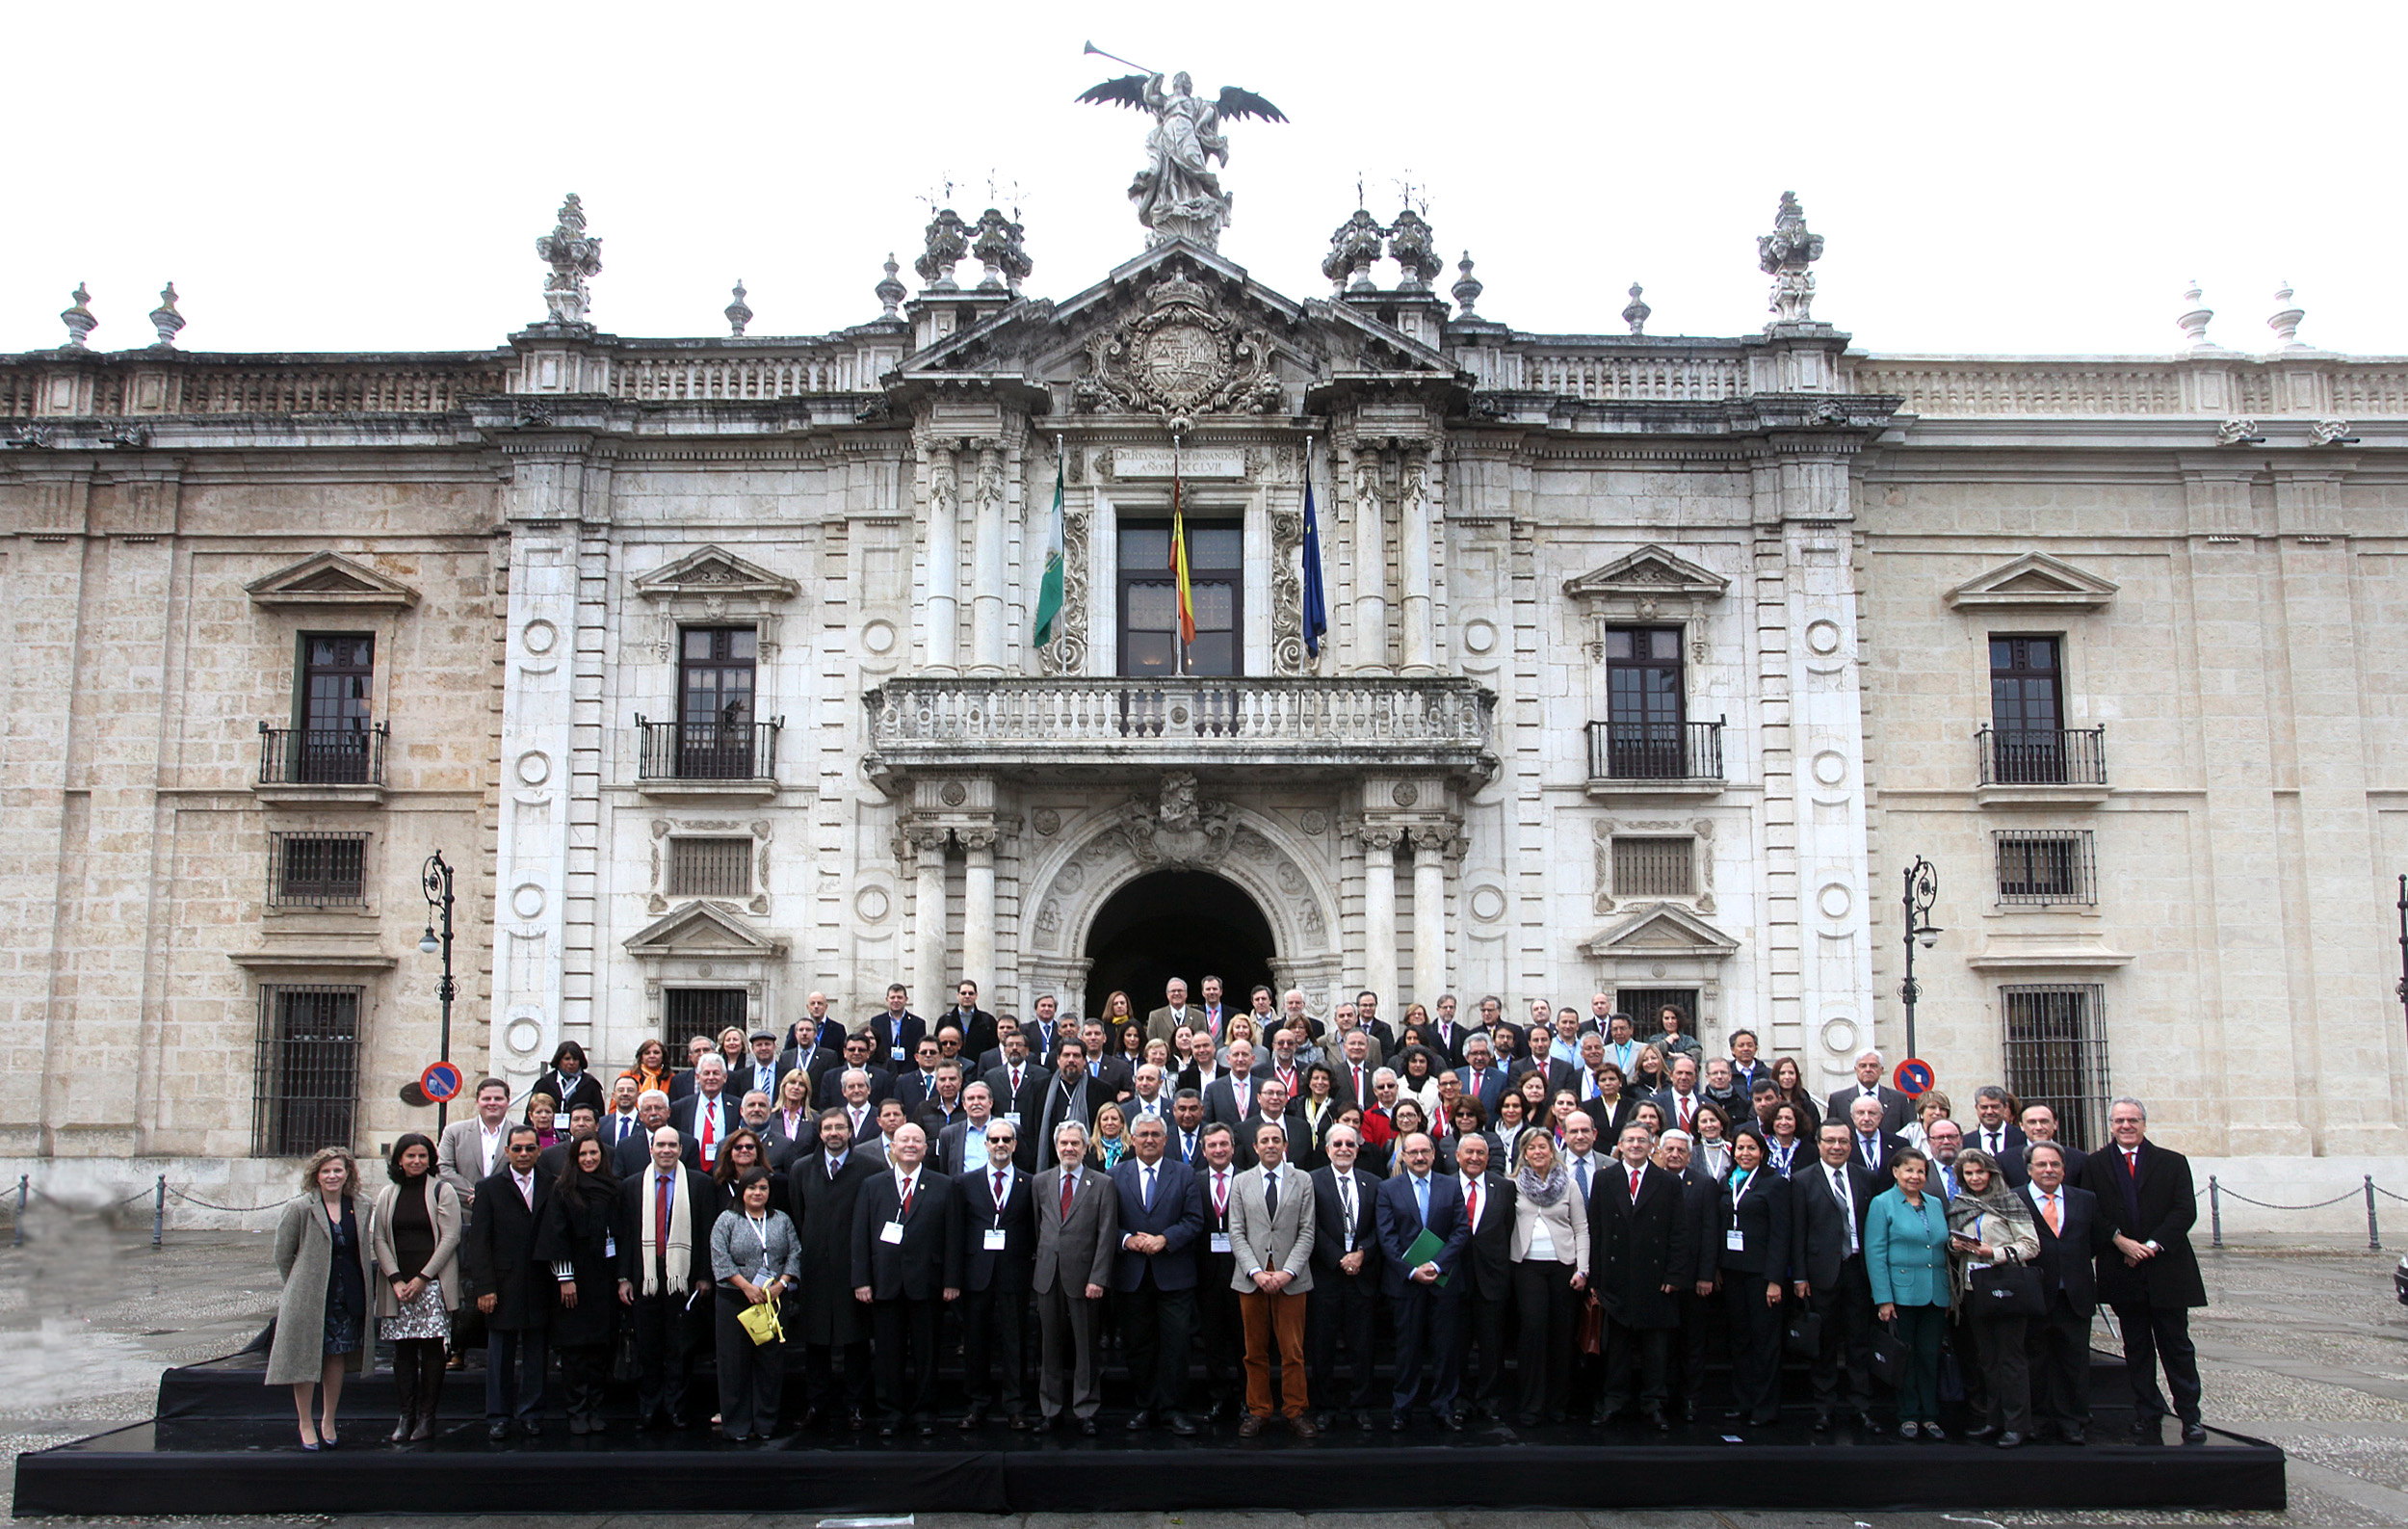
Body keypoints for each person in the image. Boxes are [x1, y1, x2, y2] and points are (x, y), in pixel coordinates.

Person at [2081, 1095, 2208, 1443]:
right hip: (2122, 1268)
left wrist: (2151, 1246)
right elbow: (2092, 1211)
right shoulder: (2095, 1165)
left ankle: (2190, 1416)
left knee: (2177, 1347)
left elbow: (2184, 1211)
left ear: (2144, 1124)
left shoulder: (2172, 1162)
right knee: (2136, 1350)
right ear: (2110, 1125)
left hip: (2166, 1269)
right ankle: (2146, 1413)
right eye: (2119, 1120)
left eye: (2132, 1120)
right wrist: (2121, 1242)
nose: (2126, 1126)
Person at [851, 1122, 961, 1436]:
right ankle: (891, 1413)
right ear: (892, 1148)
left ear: (926, 1148)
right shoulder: (873, 1185)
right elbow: (860, 1236)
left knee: (927, 1353)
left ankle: (925, 1413)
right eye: (904, 1140)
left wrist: (951, 1280)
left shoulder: (944, 1185)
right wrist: (861, 1280)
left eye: (917, 1140)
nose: (910, 1145)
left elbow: (953, 1237)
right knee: (888, 1353)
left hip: (928, 1282)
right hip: (885, 1283)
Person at [269, 1147, 373, 1450]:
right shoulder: (300, 1208)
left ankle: (329, 1418)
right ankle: (305, 1421)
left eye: (337, 1170)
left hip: (347, 1293)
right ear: (316, 1175)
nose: (332, 1176)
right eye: (326, 1171)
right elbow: (282, 1254)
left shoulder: (361, 1205)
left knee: (336, 1354)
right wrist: (298, 1286)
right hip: (310, 1295)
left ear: (348, 1174)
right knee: (305, 1356)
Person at [615, 1124, 716, 1431]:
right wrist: (623, 1278)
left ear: (681, 1150)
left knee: (679, 1347)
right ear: (651, 1149)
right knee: (648, 1347)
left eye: (672, 1145)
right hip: (645, 1276)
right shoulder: (632, 1186)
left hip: (683, 1277)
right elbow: (626, 1235)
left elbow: (705, 1231)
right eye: (661, 1145)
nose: (667, 1150)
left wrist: (703, 1276)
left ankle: (676, 1408)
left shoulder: (699, 1184)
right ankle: (649, 1408)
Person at [1112, 1113, 1205, 1435]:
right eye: (1143, 1134)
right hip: (1132, 1274)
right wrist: (1127, 1239)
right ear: (1132, 1139)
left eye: (1155, 1134)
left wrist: (1166, 1239)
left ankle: (1174, 1409)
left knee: (1176, 1345)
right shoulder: (1114, 1175)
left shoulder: (1184, 1174)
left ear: (1166, 1140)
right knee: (1139, 1345)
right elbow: (1106, 1223)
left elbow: (1194, 1220)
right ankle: (1145, 1407)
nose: (1149, 1139)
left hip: (1173, 1273)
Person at [461, 1124, 554, 1438]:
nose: (524, 1154)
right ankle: (498, 1415)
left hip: (541, 1281)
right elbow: (479, 1242)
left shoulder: (552, 1185)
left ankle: (531, 1412)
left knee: (536, 1354)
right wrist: (484, 1287)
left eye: (530, 1148)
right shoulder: (489, 1188)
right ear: (507, 1152)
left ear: (539, 1150)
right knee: (500, 1355)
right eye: (518, 1149)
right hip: (501, 1283)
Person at [1590, 1122, 1685, 1430]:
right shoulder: (1604, 1180)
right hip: (1615, 1278)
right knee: (1616, 1348)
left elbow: (1678, 1232)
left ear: (1651, 1146)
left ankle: (1653, 1403)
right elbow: (1597, 1231)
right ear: (1619, 1144)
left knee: (1656, 1348)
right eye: (1629, 1140)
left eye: (1641, 1140)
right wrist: (1596, 1279)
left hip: (1655, 1277)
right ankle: (1614, 1402)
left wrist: (1674, 1273)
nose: (1635, 1145)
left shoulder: (1668, 1183)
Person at [1946, 1145, 2041, 1447]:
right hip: (1974, 1290)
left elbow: (2031, 1245)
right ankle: (1993, 1419)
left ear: (1991, 1173)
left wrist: (1995, 1253)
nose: (1975, 1178)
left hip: (2007, 1286)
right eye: (1969, 1173)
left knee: (2011, 1358)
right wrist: (1955, 1246)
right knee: (1987, 1359)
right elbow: (1951, 1243)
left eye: (1980, 1172)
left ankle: (2018, 1424)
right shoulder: (1960, 1203)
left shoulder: (2009, 1201)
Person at [790, 1109, 878, 1431]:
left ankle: (856, 1405)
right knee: (816, 1343)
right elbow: (800, 1216)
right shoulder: (801, 1169)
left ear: (851, 1131)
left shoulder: (870, 1168)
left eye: (840, 1127)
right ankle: (817, 1404)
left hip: (853, 1269)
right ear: (819, 1132)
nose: (833, 1133)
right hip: (814, 1268)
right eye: (827, 1127)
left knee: (855, 1342)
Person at [1375, 1131, 1470, 1430]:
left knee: (1445, 1349)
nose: (1419, 1157)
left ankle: (1443, 1407)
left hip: (1444, 1281)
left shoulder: (1451, 1186)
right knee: (1408, 1349)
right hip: (1405, 1283)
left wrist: (1437, 1265)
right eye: (1412, 1152)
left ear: (1434, 1154)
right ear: (1402, 1155)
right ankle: (1402, 1409)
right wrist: (1412, 1270)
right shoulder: (1388, 1189)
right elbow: (1386, 1236)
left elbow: (1460, 1231)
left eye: (1424, 1152)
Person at [1228, 1120, 1317, 1436]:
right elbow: (1236, 1232)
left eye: (1275, 1140)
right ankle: (1259, 1411)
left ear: (1284, 1145)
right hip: (1251, 1280)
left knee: (1292, 1351)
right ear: (1255, 1147)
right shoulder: (1241, 1182)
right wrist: (1256, 1271)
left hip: (1291, 1279)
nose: (1270, 1145)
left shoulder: (1302, 1180)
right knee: (1254, 1351)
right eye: (1264, 1140)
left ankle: (1296, 1410)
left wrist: (1287, 1272)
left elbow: (1307, 1231)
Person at [370, 1133, 459, 1443]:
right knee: (403, 1353)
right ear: (399, 1160)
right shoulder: (387, 1194)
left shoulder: (441, 1190)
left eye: (422, 1156)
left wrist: (423, 1278)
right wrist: (395, 1279)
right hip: (398, 1288)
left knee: (433, 1350)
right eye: (410, 1156)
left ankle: (427, 1416)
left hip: (431, 1283)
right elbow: (378, 1238)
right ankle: (405, 1415)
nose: (417, 1161)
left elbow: (450, 1237)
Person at [1030, 1120, 1118, 1434]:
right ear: (1056, 1148)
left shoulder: (1103, 1183)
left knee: (1086, 1347)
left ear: (1085, 1147)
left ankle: (1085, 1409)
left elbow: (1106, 1235)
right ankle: (1050, 1409)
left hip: (1085, 1277)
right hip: (1048, 1275)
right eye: (1064, 1144)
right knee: (1049, 1347)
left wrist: (1098, 1278)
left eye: (1075, 1144)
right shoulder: (1040, 1182)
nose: (1069, 1148)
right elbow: (1039, 1226)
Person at [1793, 1120, 1881, 1435]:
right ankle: (1824, 1409)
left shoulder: (1865, 1178)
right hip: (1821, 1274)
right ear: (1818, 1144)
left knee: (1859, 1342)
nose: (1837, 1147)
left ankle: (1861, 1408)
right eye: (1830, 1141)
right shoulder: (1803, 1180)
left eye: (1843, 1141)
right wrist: (1799, 1276)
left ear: (1851, 1144)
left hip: (1859, 1270)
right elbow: (1798, 1232)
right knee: (1825, 1344)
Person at [2022, 1140, 2111, 1444]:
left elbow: (2097, 1239)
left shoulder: (2085, 1199)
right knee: (2034, 1361)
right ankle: (2036, 1419)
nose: (2049, 1170)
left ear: (2064, 1168)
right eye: (2042, 1164)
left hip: (2075, 1293)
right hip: (2034, 1294)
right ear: (2030, 1169)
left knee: (2074, 1361)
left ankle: (2072, 1420)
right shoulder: (2015, 1199)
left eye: (2055, 1164)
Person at [1866, 1145, 1952, 1438]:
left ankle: (1930, 1415)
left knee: (1930, 1355)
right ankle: (1909, 1414)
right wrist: (1883, 1298)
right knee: (1907, 1356)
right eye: (1909, 1170)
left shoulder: (1935, 1203)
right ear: (1895, 1172)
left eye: (1920, 1171)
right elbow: (1875, 1252)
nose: (1915, 1176)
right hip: (1900, 1294)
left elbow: (1939, 1244)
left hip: (1935, 1293)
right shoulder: (1883, 1203)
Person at [536, 1134, 619, 1436]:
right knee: (574, 1353)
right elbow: (555, 1236)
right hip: (572, 1282)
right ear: (574, 1156)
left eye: (593, 1153)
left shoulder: (613, 1189)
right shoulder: (562, 1190)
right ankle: (576, 1411)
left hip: (604, 1280)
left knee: (599, 1351)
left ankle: (595, 1409)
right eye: (582, 1153)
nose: (588, 1159)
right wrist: (565, 1277)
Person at [954, 1119, 1035, 1430]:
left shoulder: (1029, 1184)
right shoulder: (965, 1183)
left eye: (1006, 1139)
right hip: (977, 1273)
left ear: (1014, 1145)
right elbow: (958, 1231)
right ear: (985, 1144)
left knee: (1015, 1341)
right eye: (994, 1139)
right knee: (976, 1342)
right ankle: (977, 1403)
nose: (1000, 1144)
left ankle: (1015, 1405)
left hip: (1015, 1272)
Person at [710, 1166, 800, 1440]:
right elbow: (719, 1256)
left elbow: (795, 1252)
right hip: (735, 1300)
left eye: (763, 1188)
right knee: (734, 1365)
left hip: (772, 1302)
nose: (757, 1193)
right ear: (742, 1191)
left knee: (769, 1365)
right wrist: (746, 1287)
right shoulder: (727, 1219)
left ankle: (765, 1424)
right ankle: (736, 1425)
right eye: (752, 1188)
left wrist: (781, 1284)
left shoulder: (781, 1220)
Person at [1508, 1126, 1588, 1426]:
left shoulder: (1569, 1185)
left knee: (1561, 1336)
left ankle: (1558, 1405)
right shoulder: (1513, 1184)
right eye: (1531, 1148)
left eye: (1543, 1146)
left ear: (1552, 1150)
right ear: (1524, 1154)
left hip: (1563, 1267)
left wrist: (1583, 1268)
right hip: (1527, 1266)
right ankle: (1531, 1405)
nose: (1537, 1152)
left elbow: (1581, 1229)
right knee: (1532, 1332)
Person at [1307, 1121, 1383, 1432]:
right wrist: (1338, 1257)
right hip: (1326, 1275)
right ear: (1327, 1150)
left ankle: (1361, 1405)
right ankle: (1324, 1406)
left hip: (1362, 1275)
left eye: (1349, 1144)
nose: (1343, 1149)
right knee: (1322, 1347)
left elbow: (1383, 1226)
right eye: (1337, 1144)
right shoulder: (1311, 1182)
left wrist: (1362, 1252)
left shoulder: (1374, 1183)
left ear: (1357, 1149)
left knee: (1362, 1347)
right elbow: (1308, 1225)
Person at [1717, 1129, 1789, 1428]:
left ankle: (1765, 1405)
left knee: (1764, 1343)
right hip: (1733, 1273)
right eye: (1740, 1148)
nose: (1745, 1153)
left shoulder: (1775, 1184)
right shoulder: (1727, 1182)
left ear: (1762, 1152)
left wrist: (1775, 1279)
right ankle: (1743, 1401)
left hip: (1762, 1276)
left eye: (1751, 1148)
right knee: (1740, 1341)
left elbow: (1781, 1233)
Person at [1449, 1131, 1516, 1422]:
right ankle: (1459, 1399)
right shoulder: (1445, 1185)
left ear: (1488, 1158)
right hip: (1455, 1277)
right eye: (1470, 1152)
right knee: (1456, 1344)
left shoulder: (1504, 1187)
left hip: (1492, 1277)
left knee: (1492, 1345)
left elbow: (1509, 1228)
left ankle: (1489, 1399)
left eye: (1481, 1153)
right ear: (1458, 1156)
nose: (1475, 1158)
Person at [436, 1077, 514, 1205]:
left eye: (498, 1099)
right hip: (464, 1209)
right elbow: (443, 1168)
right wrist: (478, 1194)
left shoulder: (521, 1133)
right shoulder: (454, 1132)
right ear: (477, 1102)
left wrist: (494, 1196)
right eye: (486, 1099)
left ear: (508, 1102)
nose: (492, 1103)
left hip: (506, 1209)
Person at [1827, 1048, 1911, 1135]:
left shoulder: (1898, 1099)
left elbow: (1906, 1134)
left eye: (1873, 1066)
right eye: (1863, 1066)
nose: (1868, 1070)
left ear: (1881, 1070)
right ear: (1856, 1070)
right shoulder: (1838, 1100)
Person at [531, 1040, 606, 1120]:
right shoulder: (545, 1083)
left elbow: (600, 1115)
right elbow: (531, 1110)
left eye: (575, 1059)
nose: (571, 1062)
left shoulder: (591, 1084)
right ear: (559, 1060)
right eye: (567, 1059)